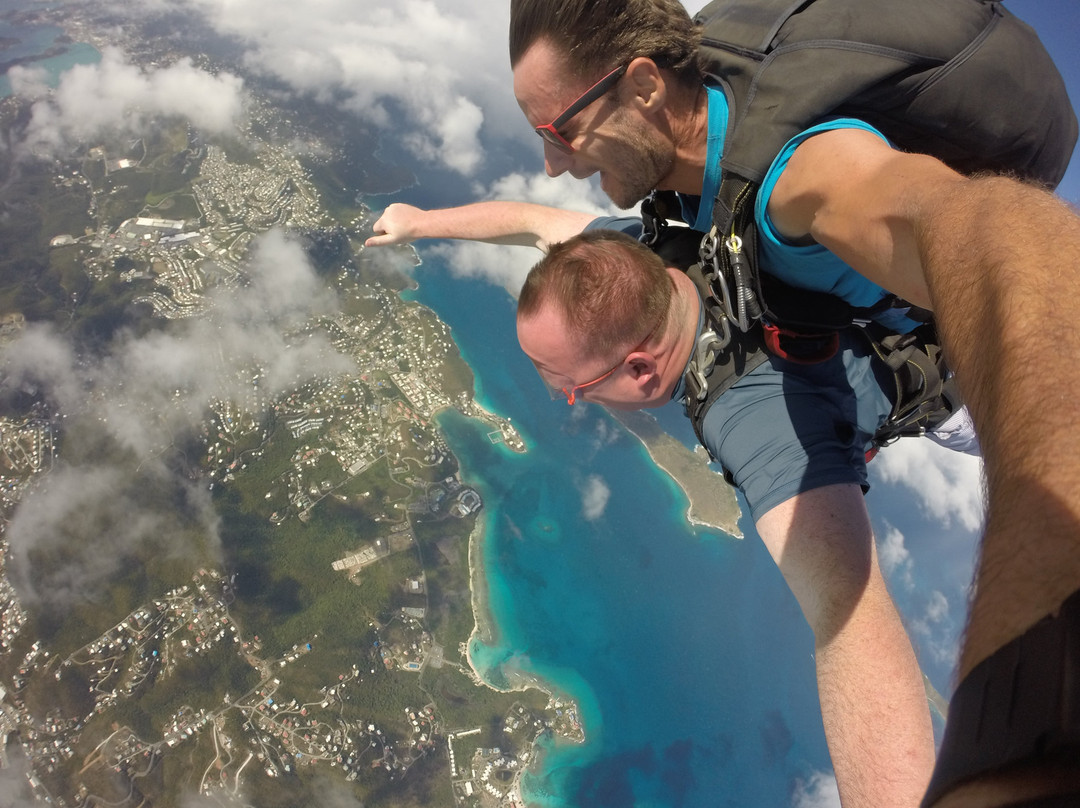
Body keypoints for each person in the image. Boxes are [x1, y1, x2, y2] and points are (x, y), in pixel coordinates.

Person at [505, 0, 1080, 805]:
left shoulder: (800, 183)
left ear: (640, 86)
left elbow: (990, 235)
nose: (550, 162)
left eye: (558, 132)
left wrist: (1024, 717)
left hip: (958, 397)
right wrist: (420, 222)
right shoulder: (676, 197)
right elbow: (538, 223)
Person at [368, 200, 947, 808]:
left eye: (573, 388)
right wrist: (420, 222)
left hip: (972, 385)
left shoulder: (756, 424)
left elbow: (851, 624)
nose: (570, 399)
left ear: (641, 370)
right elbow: (540, 226)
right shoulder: (636, 263)